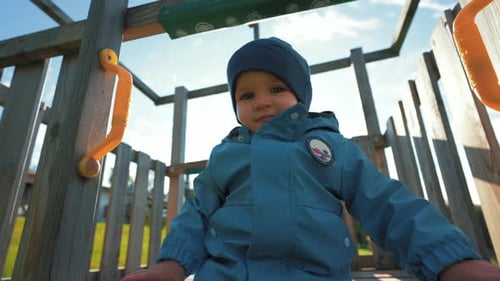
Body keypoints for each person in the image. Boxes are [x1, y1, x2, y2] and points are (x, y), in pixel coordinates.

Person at [121, 37, 500, 281]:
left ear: (301, 97)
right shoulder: (227, 156)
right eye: (246, 96)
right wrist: (171, 265)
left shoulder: (328, 148)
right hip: (230, 275)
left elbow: (386, 202)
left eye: (276, 88)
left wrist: (449, 260)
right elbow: (198, 214)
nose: (262, 101)